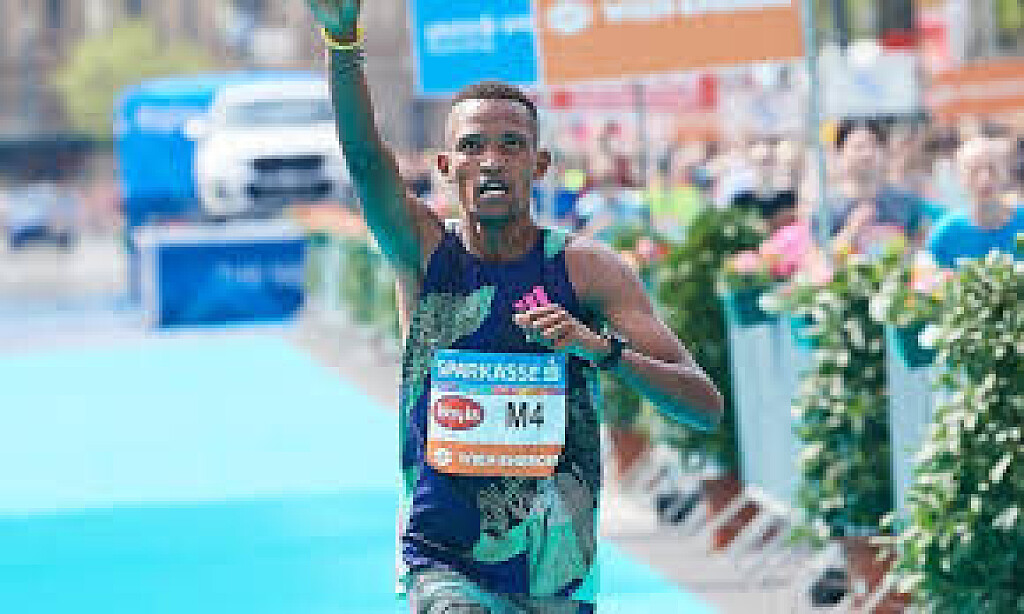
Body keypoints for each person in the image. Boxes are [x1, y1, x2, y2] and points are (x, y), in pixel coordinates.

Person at [306, 2, 724, 612]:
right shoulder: (424, 253)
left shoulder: (587, 269)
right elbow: (368, 163)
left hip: (554, 566)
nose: (492, 161)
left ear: (540, 164)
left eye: (511, 145)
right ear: (446, 167)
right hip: (443, 554)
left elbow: (704, 407)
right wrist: (343, 45)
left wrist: (600, 350)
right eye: (472, 146)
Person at [927, 135, 1024, 269]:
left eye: (992, 168)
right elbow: (928, 278)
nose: (985, 179)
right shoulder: (945, 234)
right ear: (961, 178)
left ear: (1005, 173)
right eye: (974, 170)